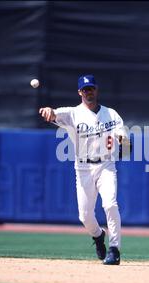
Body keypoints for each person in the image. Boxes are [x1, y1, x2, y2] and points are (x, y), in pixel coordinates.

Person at [39, 74, 130, 265]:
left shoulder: (111, 114)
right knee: (85, 216)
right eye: (85, 89)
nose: (89, 92)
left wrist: (124, 141)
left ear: (97, 90)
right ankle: (98, 236)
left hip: (106, 165)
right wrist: (48, 111)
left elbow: (123, 134)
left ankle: (114, 249)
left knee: (110, 204)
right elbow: (54, 113)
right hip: (83, 168)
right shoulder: (73, 113)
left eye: (92, 88)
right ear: (79, 92)